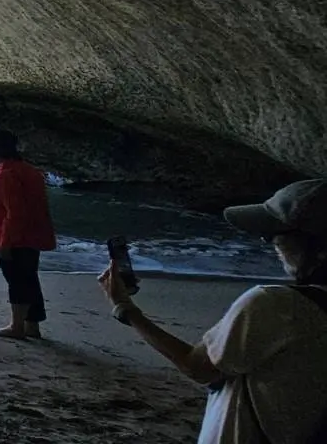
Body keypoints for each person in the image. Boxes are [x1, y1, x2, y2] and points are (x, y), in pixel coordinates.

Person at [100, 179, 327, 443]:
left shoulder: (276, 305)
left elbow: (198, 367)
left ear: (321, 249)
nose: (269, 240)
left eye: (281, 232)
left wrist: (124, 307)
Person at [0, 127, 56, 339]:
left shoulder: (7, 175)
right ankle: (32, 326)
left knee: (17, 280)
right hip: (32, 235)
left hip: (16, 237)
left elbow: (15, 213)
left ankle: (16, 326)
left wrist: (5, 242)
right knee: (29, 279)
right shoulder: (29, 171)